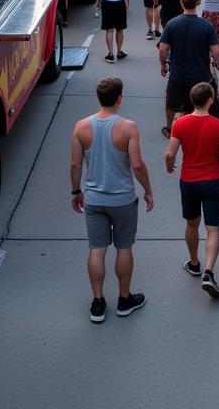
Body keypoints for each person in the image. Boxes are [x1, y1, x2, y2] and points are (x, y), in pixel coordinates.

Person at [70, 77, 153, 323]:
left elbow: (75, 164)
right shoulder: (128, 128)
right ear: (119, 98)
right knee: (124, 247)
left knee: (97, 249)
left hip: (94, 199)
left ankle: (98, 303)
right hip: (123, 200)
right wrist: (148, 190)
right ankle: (124, 300)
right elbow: (137, 164)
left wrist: (76, 191)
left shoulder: (81, 127)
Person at [165, 81, 219, 299]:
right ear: (211, 100)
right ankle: (209, 271)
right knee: (213, 229)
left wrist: (169, 165)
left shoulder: (180, 124)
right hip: (213, 181)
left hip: (189, 181)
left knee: (191, 224)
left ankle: (194, 263)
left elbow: (170, 154)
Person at [158, 0, 219, 138]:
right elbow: (216, 52)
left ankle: (169, 129)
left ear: (181, 3)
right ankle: (203, 128)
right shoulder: (207, 26)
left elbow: (163, 49)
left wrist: (163, 65)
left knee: (171, 103)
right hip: (200, 76)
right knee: (203, 102)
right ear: (197, 3)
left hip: (178, 75)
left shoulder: (172, 24)